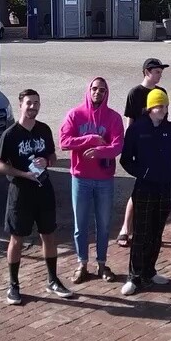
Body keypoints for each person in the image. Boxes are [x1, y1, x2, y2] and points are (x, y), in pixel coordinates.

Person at [0, 89, 73, 305]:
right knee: (17, 238)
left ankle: (53, 280)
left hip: (44, 190)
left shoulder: (44, 129)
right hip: (20, 193)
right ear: (21, 105)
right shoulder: (10, 134)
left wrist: (46, 161)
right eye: (29, 103)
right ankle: (13, 285)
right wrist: (22, 174)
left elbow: (52, 155)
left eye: (36, 103)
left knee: (49, 235)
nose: (33, 107)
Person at [119, 88, 171, 296]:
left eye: (165, 106)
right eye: (159, 106)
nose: (163, 110)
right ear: (150, 108)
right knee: (141, 232)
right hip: (145, 187)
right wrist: (143, 173)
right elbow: (126, 159)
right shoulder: (137, 128)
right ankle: (134, 276)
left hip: (165, 187)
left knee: (157, 232)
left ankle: (149, 271)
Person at [59, 77, 124, 284]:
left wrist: (99, 151)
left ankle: (102, 264)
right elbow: (64, 142)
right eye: (94, 89)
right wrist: (90, 139)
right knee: (81, 225)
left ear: (106, 93)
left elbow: (117, 146)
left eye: (102, 90)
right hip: (81, 178)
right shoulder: (75, 114)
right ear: (89, 90)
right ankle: (82, 263)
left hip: (104, 179)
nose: (98, 92)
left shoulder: (113, 117)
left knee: (103, 225)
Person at [118, 58, 169, 247]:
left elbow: (165, 119)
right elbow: (130, 122)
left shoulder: (161, 92)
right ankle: (126, 228)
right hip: (141, 147)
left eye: (161, 72)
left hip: (157, 147)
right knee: (139, 188)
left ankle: (151, 230)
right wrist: (129, 146)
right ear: (147, 72)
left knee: (153, 191)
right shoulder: (135, 93)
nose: (160, 75)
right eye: (157, 72)